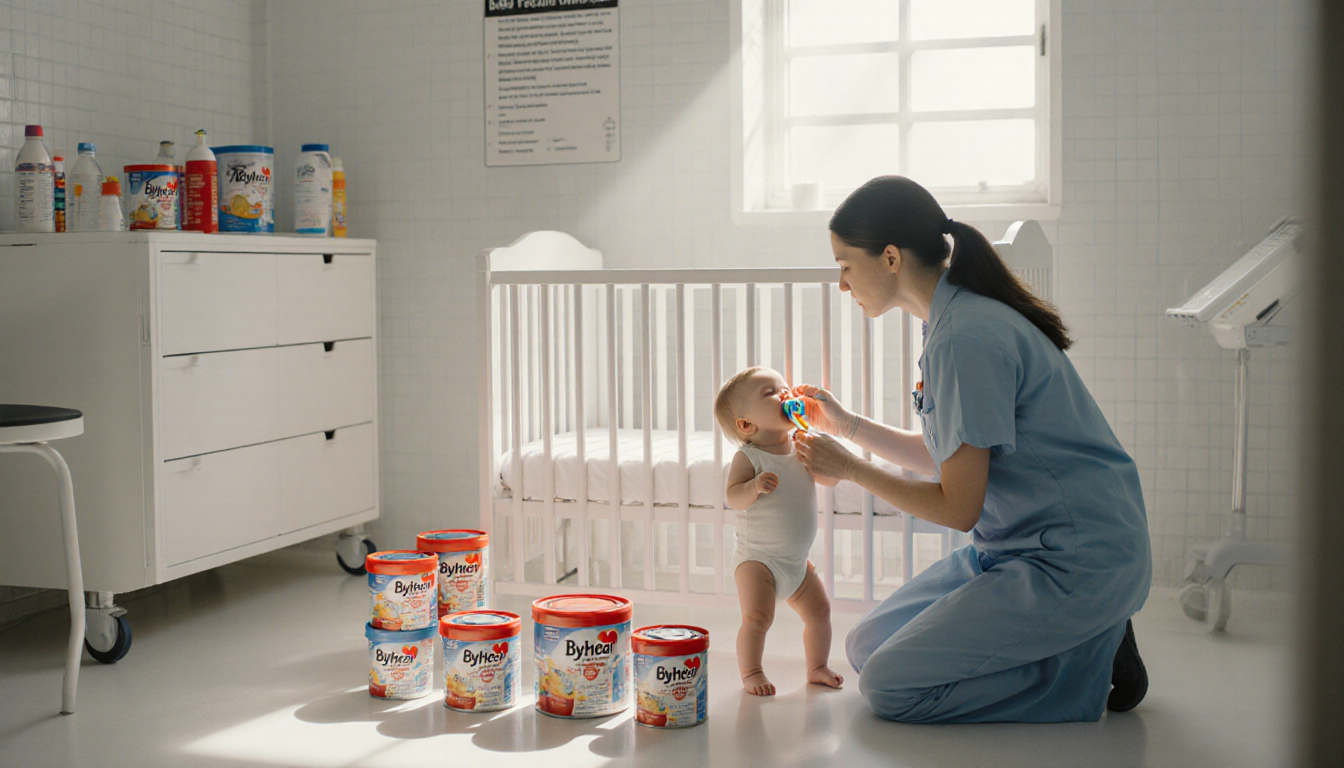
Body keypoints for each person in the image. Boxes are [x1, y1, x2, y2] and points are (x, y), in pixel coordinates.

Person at [792, 175, 1151, 723]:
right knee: (865, 648)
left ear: (890, 257)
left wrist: (850, 468)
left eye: (844, 264)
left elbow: (958, 508)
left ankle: (1084, 657)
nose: (842, 283)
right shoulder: (950, 321)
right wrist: (848, 427)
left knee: (891, 688)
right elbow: (950, 455)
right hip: (1017, 549)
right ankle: (1084, 630)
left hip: (1074, 559)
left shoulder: (965, 336)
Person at [714, 366, 845, 696]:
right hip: (758, 561)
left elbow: (830, 479)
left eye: (784, 387)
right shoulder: (750, 457)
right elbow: (733, 497)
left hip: (797, 564)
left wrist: (825, 456)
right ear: (746, 424)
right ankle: (752, 671)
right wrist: (754, 487)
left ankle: (817, 667)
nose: (784, 394)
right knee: (758, 618)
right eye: (770, 392)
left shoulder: (802, 445)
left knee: (820, 613)